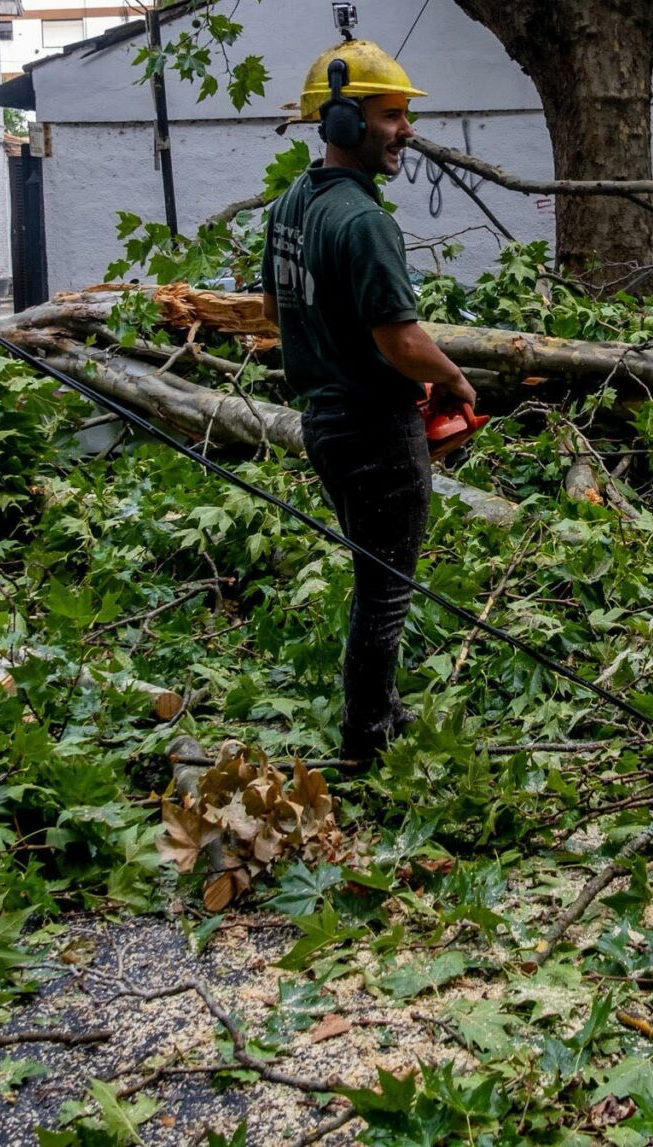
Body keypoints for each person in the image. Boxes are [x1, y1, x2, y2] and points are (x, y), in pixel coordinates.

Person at [260, 37, 476, 771]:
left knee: (372, 576)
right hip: (373, 426)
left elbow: (273, 307)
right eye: (391, 115)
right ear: (344, 121)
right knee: (388, 589)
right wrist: (453, 380)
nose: (406, 131)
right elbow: (402, 339)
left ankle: (376, 708)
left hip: (323, 421)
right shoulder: (364, 221)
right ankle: (366, 741)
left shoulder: (291, 205)